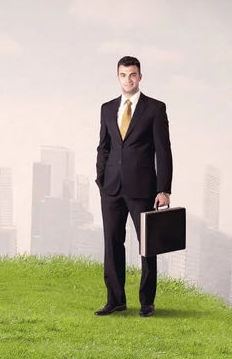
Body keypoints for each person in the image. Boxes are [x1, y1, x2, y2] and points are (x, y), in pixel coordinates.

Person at [94, 55, 173, 318]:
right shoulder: (107, 108)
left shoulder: (155, 109)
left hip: (144, 190)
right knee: (112, 244)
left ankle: (147, 303)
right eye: (123, 75)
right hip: (111, 189)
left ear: (140, 77)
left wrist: (164, 189)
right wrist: (101, 179)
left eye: (133, 75)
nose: (128, 79)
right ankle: (115, 300)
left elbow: (163, 152)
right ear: (118, 77)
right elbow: (104, 147)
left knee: (147, 247)